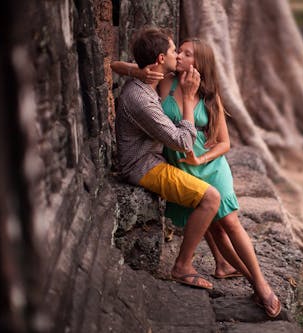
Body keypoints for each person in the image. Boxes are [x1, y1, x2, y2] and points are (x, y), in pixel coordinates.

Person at [112, 36, 282, 318]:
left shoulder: (209, 94)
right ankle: (226, 268)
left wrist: (202, 156)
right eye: (176, 51)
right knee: (213, 225)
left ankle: (261, 284)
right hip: (179, 161)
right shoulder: (165, 79)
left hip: (209, 164)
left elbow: (224, 142)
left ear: (198, 63)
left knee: (229, 221)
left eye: (185, 53)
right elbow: (116, 65)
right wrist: (137, 72)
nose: (177, 55)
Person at [114, 27, 220, 290]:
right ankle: (182, 266)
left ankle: (223, 262)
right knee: (211, 198)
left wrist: (134, 69)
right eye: (175, 51)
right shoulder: (141, 99)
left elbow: (119, 64)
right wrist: (186, 98)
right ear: (161, 59)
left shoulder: (149, 79)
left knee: (206, 188)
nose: (178, 56)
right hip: (142, 165)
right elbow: (184, 142)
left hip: (154, 157)